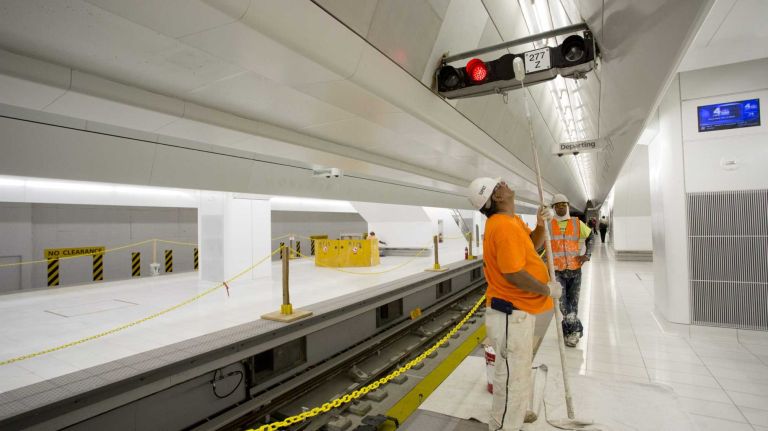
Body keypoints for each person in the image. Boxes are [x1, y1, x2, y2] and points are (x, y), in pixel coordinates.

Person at [467, 177, 561, 431]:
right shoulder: (503, 226)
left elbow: (530, 246)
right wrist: (546, 289)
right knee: (512, 375)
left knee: (515, 371)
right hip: (510, 312)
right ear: (497, 197)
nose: (506, 184)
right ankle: (504, 426)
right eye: (500, 184)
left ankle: (514, 414)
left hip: (517, 312)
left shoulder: (511, 222)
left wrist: (541, 225)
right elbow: (513, 273)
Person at [549, 194, 594, 347]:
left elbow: (591, 236)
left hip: (575, 270)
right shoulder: (549, 224)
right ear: (553, 208)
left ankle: (569, 332)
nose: (561, 207)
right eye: (557, 205)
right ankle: (576, 330)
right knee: (563, 304)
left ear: (567, 206)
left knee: (573, 304)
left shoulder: (576, 223)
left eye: (563, 204)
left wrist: (586, 255)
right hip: (557, 271)